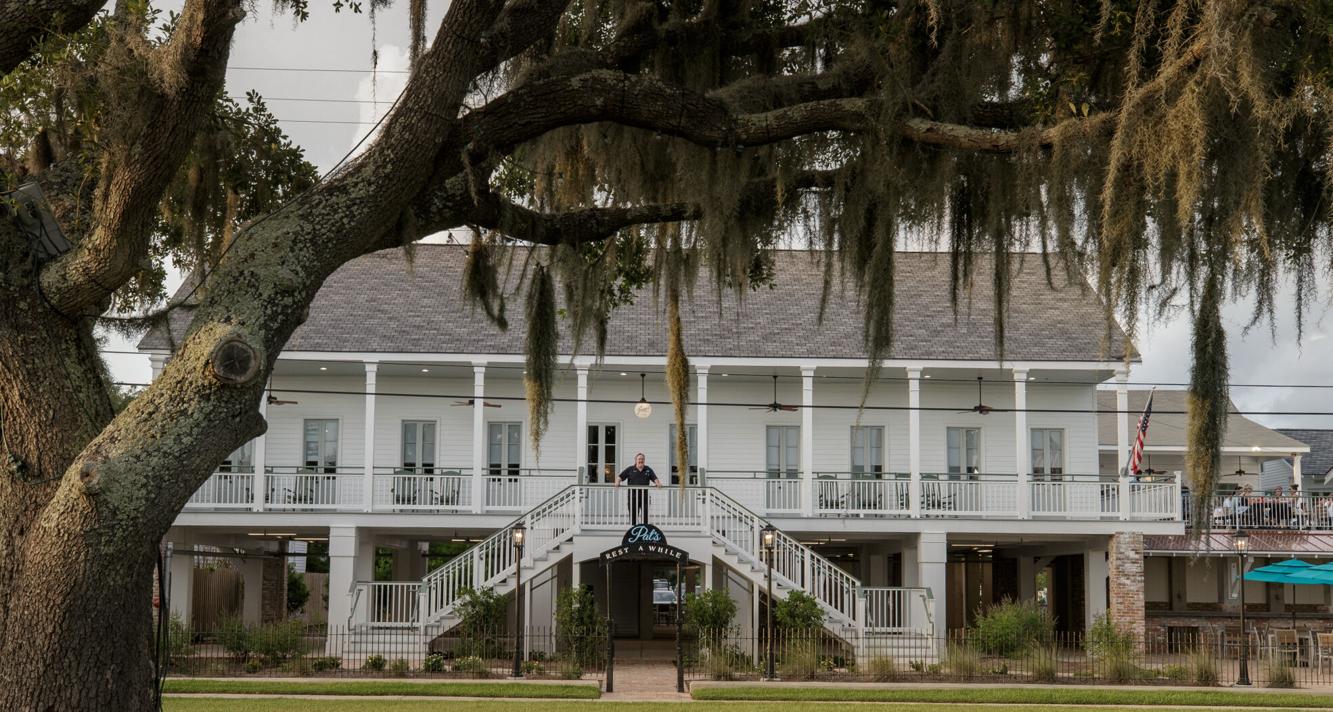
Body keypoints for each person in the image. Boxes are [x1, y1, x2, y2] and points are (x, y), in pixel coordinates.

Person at [617, 453, 660, 524]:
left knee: (645, 516)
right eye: (639, 459)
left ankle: (644, 529)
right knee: (633, 516)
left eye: (642, 459)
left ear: (644, 460)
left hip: (645, 497)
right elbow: (620, 477)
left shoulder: (648, 469)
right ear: (636, 460)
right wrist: (617, 482)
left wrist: (657, 483)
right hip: (633, 497)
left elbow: (654, 478)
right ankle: (634, 529)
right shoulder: (630, 469)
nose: (641, 460)